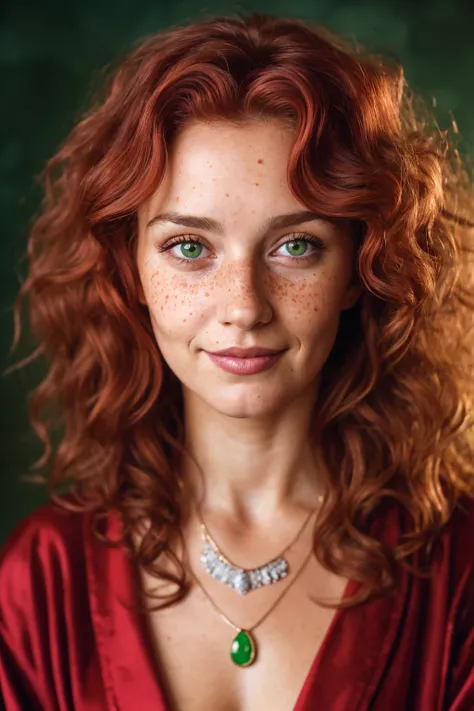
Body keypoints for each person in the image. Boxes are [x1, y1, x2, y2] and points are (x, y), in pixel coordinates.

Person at [1, 10, 474, 711]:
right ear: (130, 269)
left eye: (295, 245)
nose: (244, 305)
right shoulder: (42, 580)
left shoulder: (460, 573)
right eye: (190, 247)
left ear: (359, 267)